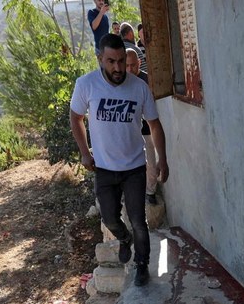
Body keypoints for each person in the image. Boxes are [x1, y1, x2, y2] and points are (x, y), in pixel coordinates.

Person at [70, 34, 169, 286]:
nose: (117, 68)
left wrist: (162, 160)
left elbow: (155, 126)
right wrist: (84, 151)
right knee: (110, 218)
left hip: (135, 167)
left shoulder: (139, 88)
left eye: (121, 61)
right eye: (111, 61)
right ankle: (124, 239)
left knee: (138, 220)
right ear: (100, 59)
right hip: (103, 168)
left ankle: (142, 265)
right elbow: (75, 117)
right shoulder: (86, 85)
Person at [126, 48, 158, 205]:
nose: (130, 69)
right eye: (127, 66)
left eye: (133, 65)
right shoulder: (121, 82)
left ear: (139, 63)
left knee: (150, 163)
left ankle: (150, 192)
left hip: (147, 129)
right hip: (129, 132)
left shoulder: (147, 80)